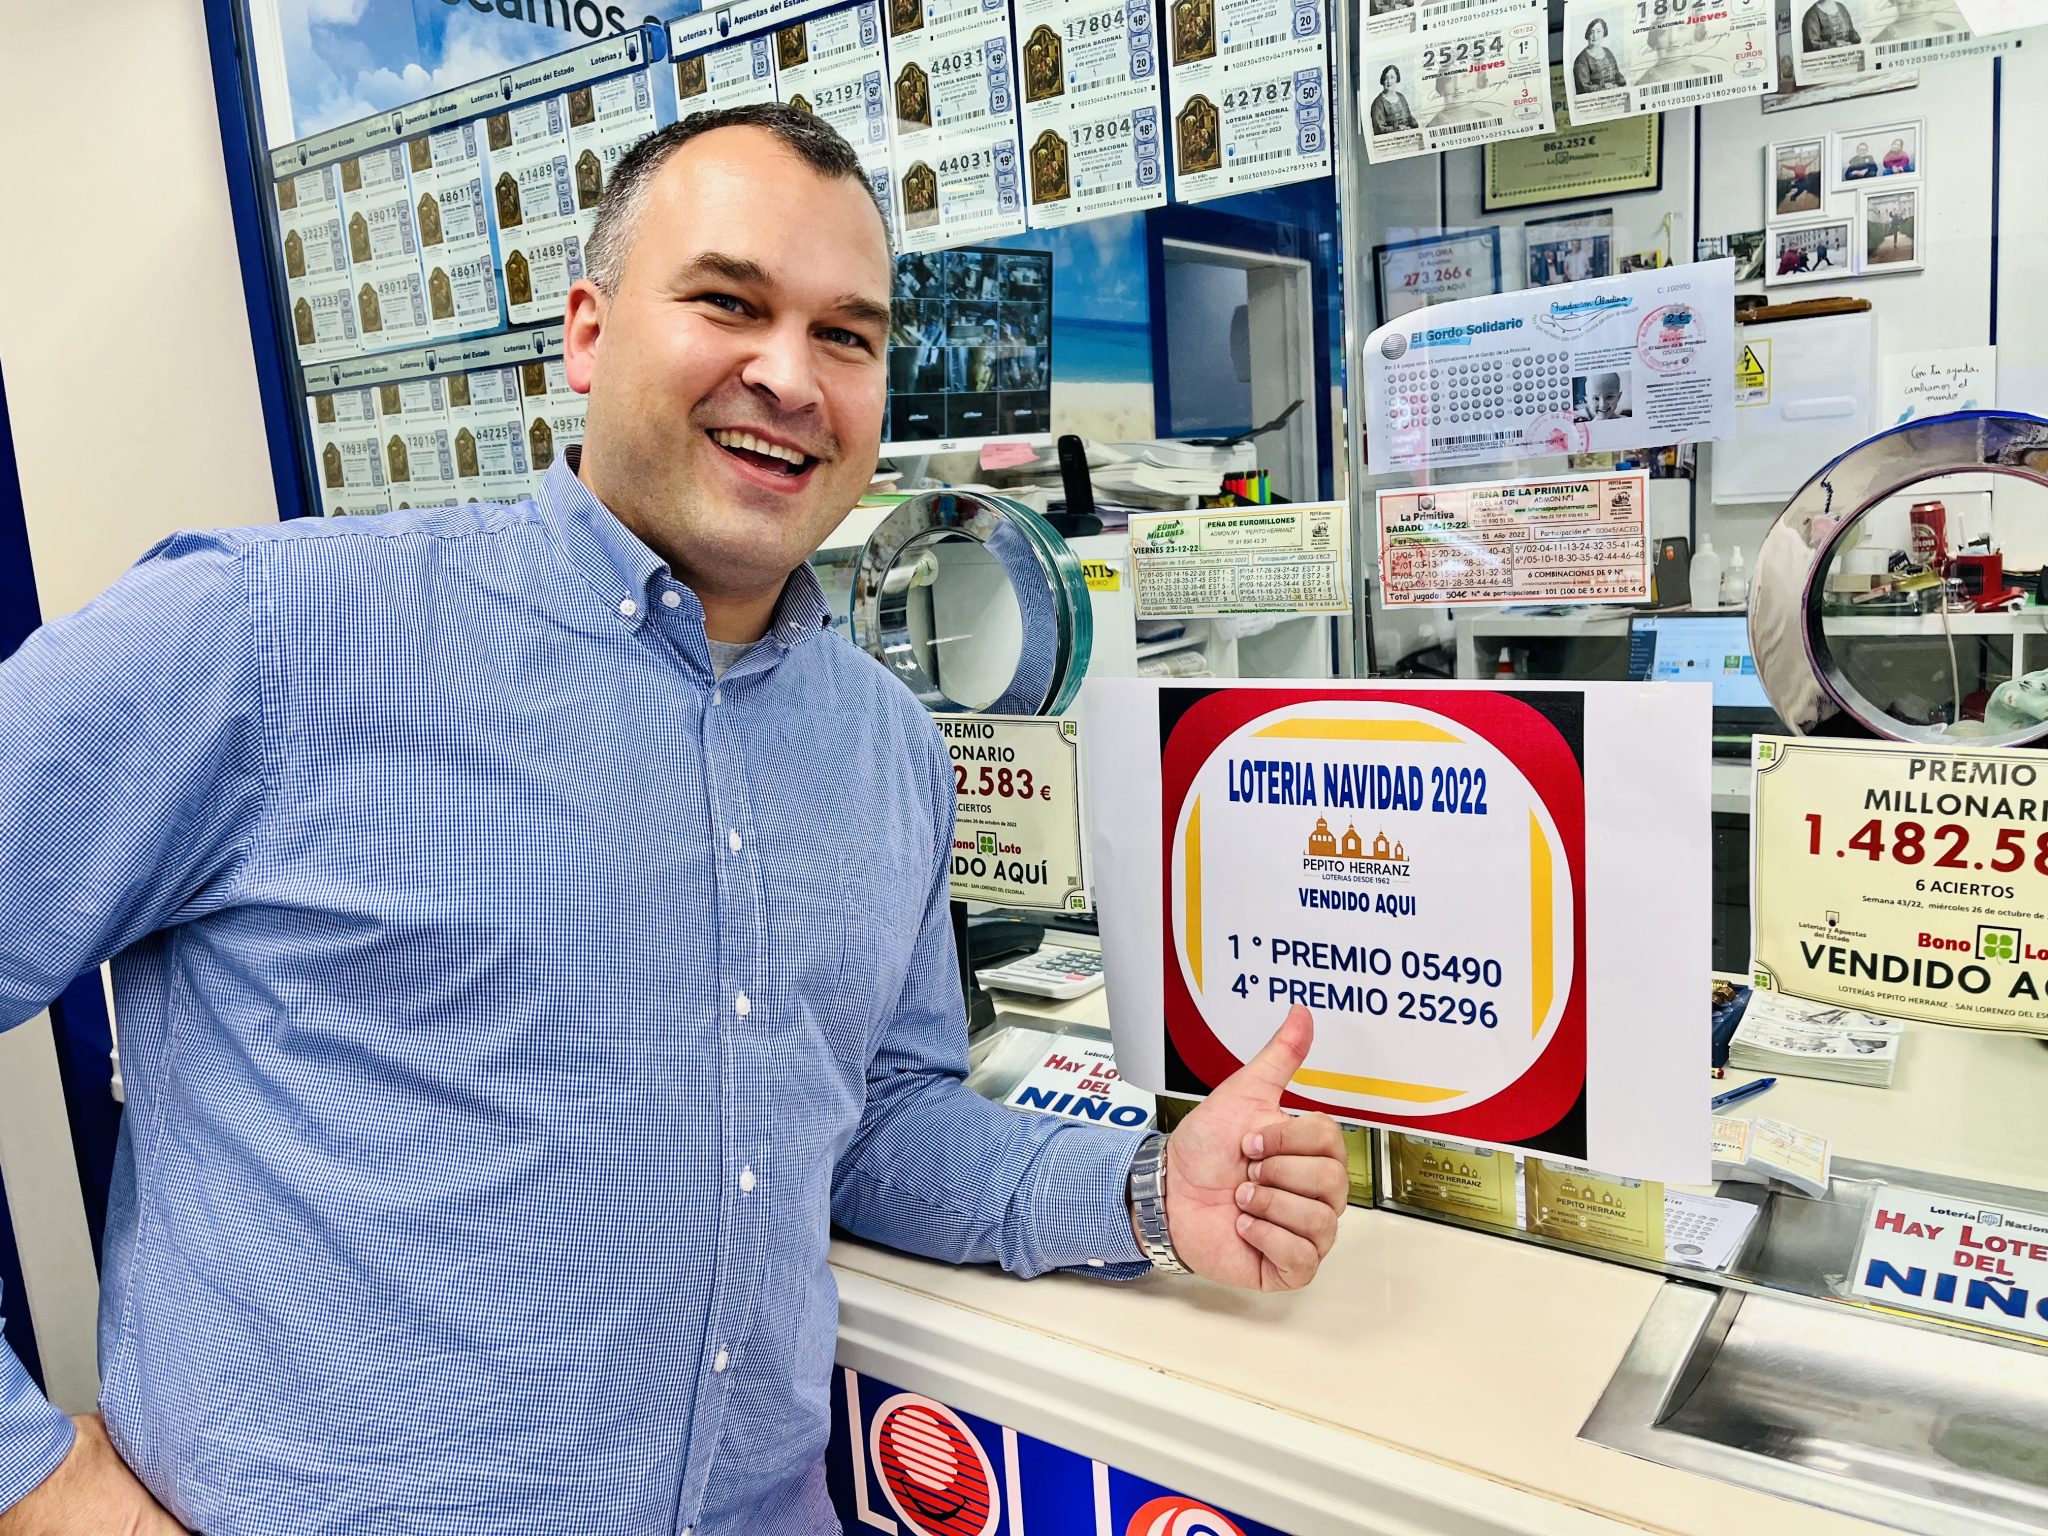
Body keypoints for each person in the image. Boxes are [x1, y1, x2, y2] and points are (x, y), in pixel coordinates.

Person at [0, 104, 1351, 1535]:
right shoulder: (266, 638)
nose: (790, 376)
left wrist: (1142, 1192)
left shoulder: (886, 749)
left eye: (847, 334)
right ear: (587, 335)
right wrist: (44, 1485)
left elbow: (874, 1121)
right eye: (727, 302)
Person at [1572, 18, 1625, 93]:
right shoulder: (1581, 59)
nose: (1595, 36)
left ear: (1604, 33)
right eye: (1592, 32)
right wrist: (1603, 88)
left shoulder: (1607, 52)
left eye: (1598, 31)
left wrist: (1620, 84)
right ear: (1588, 34)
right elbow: (1582, 87)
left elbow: (1618, 76)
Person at [1370, 64, 1417, 133]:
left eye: (1392, 77)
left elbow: (1410, 119)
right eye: (1386, 78)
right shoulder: (1377, 103)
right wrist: (1398, 128)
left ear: (1397, 79)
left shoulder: (1401, 97)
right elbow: (1379, 129)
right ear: (1383, 81)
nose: (1389, 81)